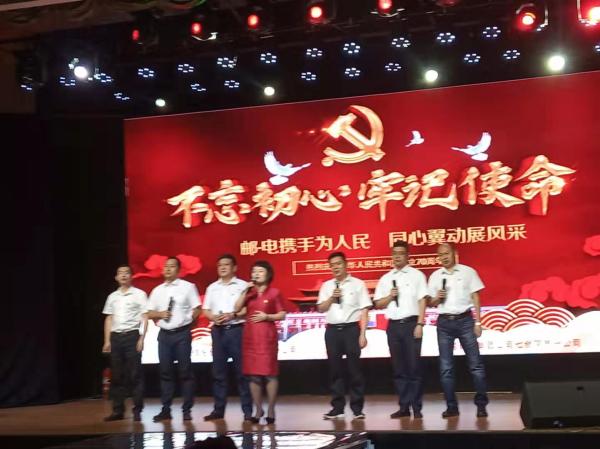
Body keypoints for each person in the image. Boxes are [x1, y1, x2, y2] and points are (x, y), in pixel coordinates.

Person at [428, 243, 489, 418]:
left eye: (447, 253)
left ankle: (481, 405)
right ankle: (451, 407)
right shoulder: (435, 276)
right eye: (441, 255)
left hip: (466, 321)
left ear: (454, 253)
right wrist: (437, 298)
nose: (444, 257)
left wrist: (478, 322)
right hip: (444, 323)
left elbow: (475, 297)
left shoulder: (468, 272)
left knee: (476, 366)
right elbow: (431, 302)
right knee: (446, 368)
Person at [374, 240, 427, 419]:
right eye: (394, 253)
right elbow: (378, 303)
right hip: (394, 326)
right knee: (399, 369)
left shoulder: (417, 275)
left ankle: (417, 408)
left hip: (412, 324)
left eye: (401, 253)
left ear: (407, 255)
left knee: (414, 367)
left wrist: (420, 324)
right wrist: (390, 296)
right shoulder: (386, 278)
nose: (397, 257)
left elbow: (422, 300)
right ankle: (404, 407)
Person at [317, 252, 371, 420]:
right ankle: (337, 408)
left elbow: (364, 309)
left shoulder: (358, 284)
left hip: (351, 329)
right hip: (332, 331)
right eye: (332, 265)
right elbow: (321, 308)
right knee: (335, 370)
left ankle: (357, 409)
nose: (336, 267)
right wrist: (332, 298)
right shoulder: (326, 286)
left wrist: (363, 334)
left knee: (355, 370)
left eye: (338, 263)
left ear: (346, 264)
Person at [147, 256, 201, 422]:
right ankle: (166, 409)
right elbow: (149, 313)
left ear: (178, 270)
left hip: (182, 333)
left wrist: (188, 321)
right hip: (164, 335)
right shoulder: (157, 290)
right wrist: (160, 314)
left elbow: (197, 308)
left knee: (185, 372)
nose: (168, 269)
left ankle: (186, 410)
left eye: (172, 266)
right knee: (165, 372)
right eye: (166, 266)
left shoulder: (188, 287)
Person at [234, 260, 286, 425]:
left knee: (270, 374)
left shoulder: (274, 293)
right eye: (254, 271)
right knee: (253, 375)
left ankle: (270, 409)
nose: (256, 274)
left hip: (267, 337)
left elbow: (282, 314)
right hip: (250, 337)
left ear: (268, 274)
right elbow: (237, 309)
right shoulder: (249, 293)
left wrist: (267, 317)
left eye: (260, 271)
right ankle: (258, 409)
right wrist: (245, 291)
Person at [202, 254, 253, 422]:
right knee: (218, 372)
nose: (222, 268)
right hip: (218, 331)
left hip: (237, 330)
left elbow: (249, 309)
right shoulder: (212, 287)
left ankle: (247, 411)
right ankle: (218, 410)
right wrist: (213, 317)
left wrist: (233, 315)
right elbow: (206, 309)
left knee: (242, 372)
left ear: (234, 268)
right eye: (220, 265)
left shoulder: (243, 285)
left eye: (226, 265)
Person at [102, 264, 148, 422]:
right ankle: (118, 410)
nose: (123, 275)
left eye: (126, 273)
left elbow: (145, 317)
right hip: (116, 337)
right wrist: (107, 340)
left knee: (135, 374)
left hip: (132, 336)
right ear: (116, 277)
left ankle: (137, 410)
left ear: (131, 276)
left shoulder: (139, 294)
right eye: (120, 273)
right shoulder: (112, 297)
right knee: (116, 375)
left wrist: (141, 338)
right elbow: (109, 318)